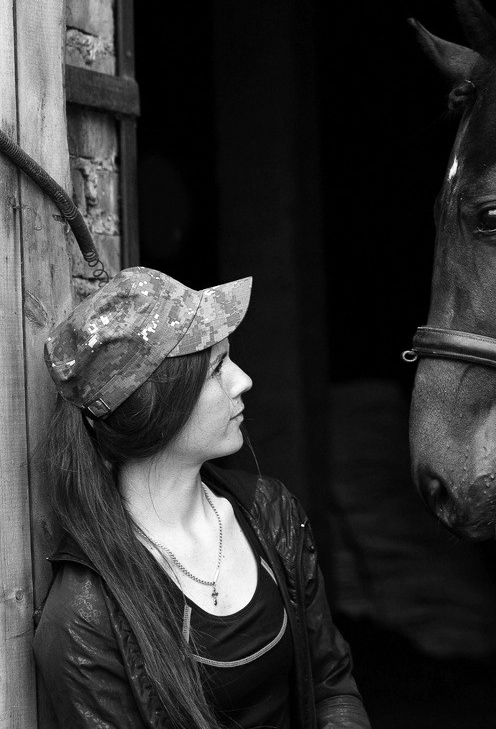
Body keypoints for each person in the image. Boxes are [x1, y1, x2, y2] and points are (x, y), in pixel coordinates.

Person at [32, 267, 370, 728]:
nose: (243, 380)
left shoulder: (271, 513)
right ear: (153, 403)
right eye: (217, 368)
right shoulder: (84, 615)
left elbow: (332, 686)